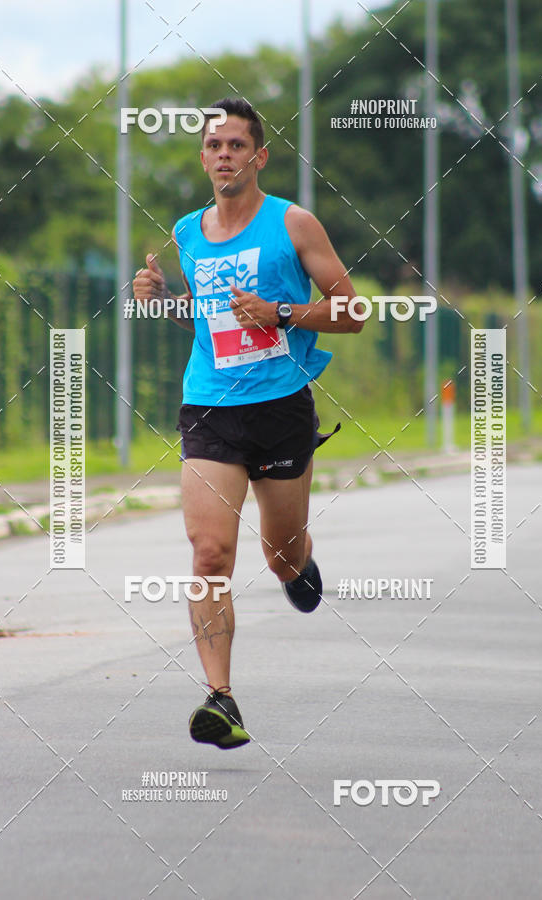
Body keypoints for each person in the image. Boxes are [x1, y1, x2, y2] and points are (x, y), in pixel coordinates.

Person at [133, 97, 363, 750]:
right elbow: (206, 320)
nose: (225, 154)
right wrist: (160, 303)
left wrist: (284, 313)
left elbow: (352, 313)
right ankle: (221, 697)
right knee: (210, 553)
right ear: (203, 157)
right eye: (215, 145)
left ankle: (297, 567)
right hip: (209, 408)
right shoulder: (185, 232)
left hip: (281, 406)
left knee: (280, 548)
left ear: (259, 157)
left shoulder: (293, 224)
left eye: (238, 145)